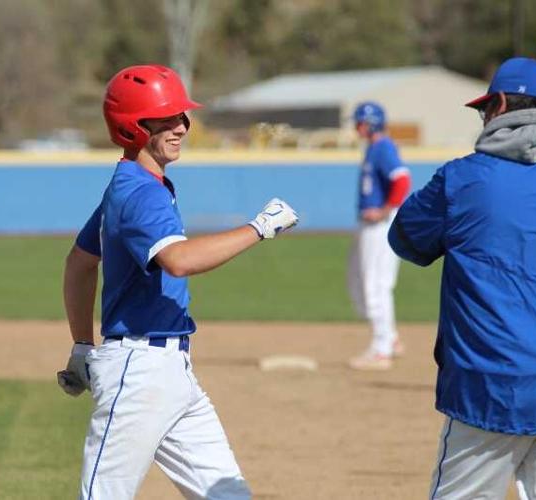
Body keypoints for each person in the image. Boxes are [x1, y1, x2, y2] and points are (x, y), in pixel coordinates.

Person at [57, 64, 298, 500]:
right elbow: (179, 260)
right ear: (132, 126)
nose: (182, 126)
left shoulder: (131, 185)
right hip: (138, 373)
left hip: (171, 375)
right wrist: (259, 227)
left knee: (227, 496)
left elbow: (79, 262)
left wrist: (80, 346)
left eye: (181, 116)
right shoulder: (141, 192)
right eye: (167, 118)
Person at [388, 57, 536, 499]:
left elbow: (407, 241)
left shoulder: (461, 178)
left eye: (485, 109)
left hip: (489, 387)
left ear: (499, 105)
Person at [346, 101, 411, 370]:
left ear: (370, 123)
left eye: (359, 122)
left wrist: (385, 210)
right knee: (359, 281)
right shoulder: (374, 148)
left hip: (380, 225)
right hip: (371, 225)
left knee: (376, 285)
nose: (356, 126)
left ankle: (381, 349)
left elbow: (402, 179)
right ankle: (391, 339)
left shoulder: (383, 147)